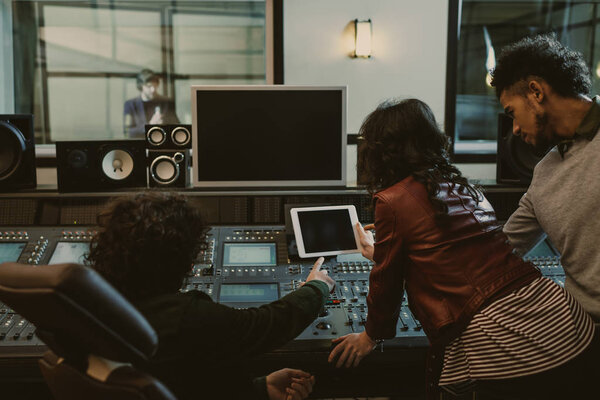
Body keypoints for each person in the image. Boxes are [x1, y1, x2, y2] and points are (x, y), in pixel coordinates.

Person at [327, 98, 597, 400]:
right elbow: (455, 255)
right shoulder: (466, 188)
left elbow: (386, 282)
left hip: (504, 339)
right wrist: (380, 253)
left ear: (380, 151)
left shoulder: (391, 200)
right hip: (564, 318)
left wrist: (370, 337)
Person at [86, 192, 335, 400]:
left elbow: (181, 382)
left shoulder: (91, 303)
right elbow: (267, 324)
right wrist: (317, 287)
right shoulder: (186, 318)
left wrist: (258, 388)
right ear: (178, 257)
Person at [490, 34, 600, 324]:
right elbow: (498, 251)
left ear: (536, 92)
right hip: (582, 333)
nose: (513, 129)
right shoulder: (545, 172)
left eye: (512, 112)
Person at [123, 69, 180, 138]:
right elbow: (127, 132)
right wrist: (150, 125)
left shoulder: (167, 102)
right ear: (141, 86)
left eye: (155, 86)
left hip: (163, 144)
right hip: (141, 145)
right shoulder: (130, 105)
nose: (153, 89)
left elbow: (177, 127)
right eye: (149, 86)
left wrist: (165, 125)